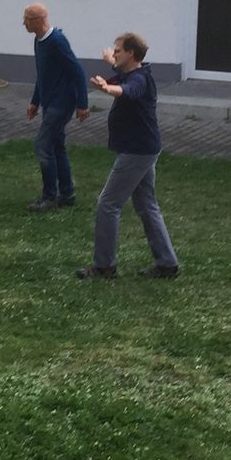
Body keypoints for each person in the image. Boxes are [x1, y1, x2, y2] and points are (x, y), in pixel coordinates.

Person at [78, 32, 181, 280]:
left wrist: (107, 88)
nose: (114, 53)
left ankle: (104, 266)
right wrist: (111, 64)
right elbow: (123, 77)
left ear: (131, 53)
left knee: (108, 204)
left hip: (136, 152)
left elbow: (127, 90)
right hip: (143, 149)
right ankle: (167, 264)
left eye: (118, 51)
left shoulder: (140, 79)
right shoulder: (134, 72)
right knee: (146, 205)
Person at [22, 2, 89, 211]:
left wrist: (82, 104)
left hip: (62, 103)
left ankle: (49, 197)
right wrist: (35, 101)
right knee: (57, 145)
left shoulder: (57, 41)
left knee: (43, 146)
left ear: (39, 20)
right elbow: (43, 74)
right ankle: (67, 194)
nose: (23, 23)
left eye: (26, 19)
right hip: (50, 102)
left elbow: (78, 72)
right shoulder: (39, 41)